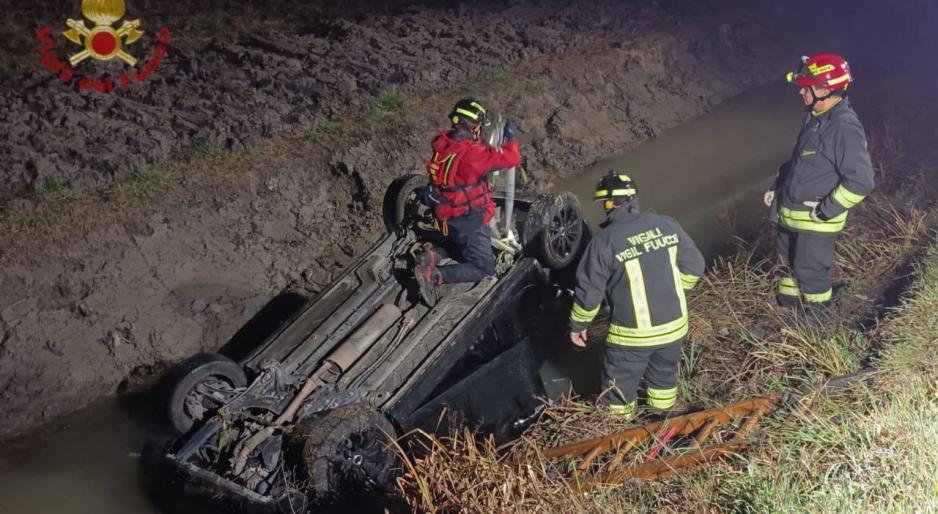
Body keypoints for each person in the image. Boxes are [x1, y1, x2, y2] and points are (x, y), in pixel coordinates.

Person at [569, 172, 705, 418]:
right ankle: (662, 423)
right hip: (674, 328)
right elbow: (695, 265)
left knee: (618, 391)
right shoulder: (666, 224)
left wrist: (579, 325)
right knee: (663, 379)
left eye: (604, 204)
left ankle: (619, 433)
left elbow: (590, 292)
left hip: (632, 338)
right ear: (633, 199)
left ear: (609, 204)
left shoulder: (604, 242)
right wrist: (674, 291)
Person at [766, 53, 875, 312]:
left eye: (806, 87)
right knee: (785, 267)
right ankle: (786, 310)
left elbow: (861, 181)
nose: (801, 92)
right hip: (789, 216)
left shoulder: (843, 127)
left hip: (814, 222)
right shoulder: (815, 116)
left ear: (824, 89)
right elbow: (802, 162)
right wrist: (777, 186)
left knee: (810, 272)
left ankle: (817, 321)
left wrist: (825, 210)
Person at [413, 98, 521, 306]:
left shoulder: (444, 142)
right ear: (473, 126)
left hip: (447, 217)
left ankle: (432, 255)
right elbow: (511, 158)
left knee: (460, 245)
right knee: (483, 266)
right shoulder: (473, 155)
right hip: (469, 221)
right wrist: (509, 137)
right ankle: (435, 275)